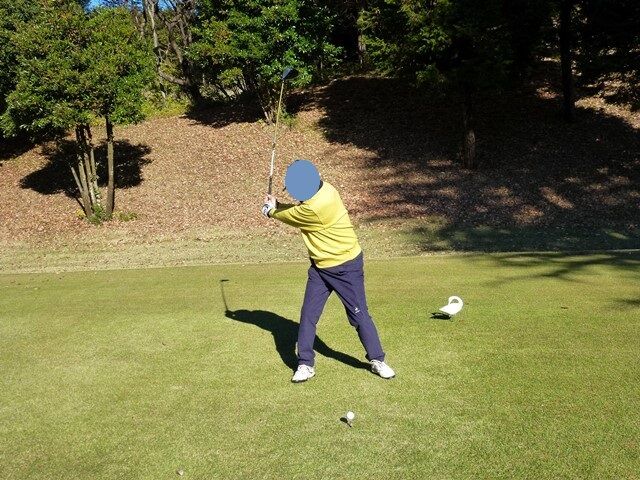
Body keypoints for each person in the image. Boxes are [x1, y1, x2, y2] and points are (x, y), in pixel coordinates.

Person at [261, 159, 395, 383]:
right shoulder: (326, 188)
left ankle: (377, 360)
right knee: (308, 315)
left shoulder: (316, 208)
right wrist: (278, 205)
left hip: (345, 267)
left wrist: (270, 211)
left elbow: (293, 216)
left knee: (358, 315)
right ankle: (305, 364)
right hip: (320, 268)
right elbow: (296, 210)